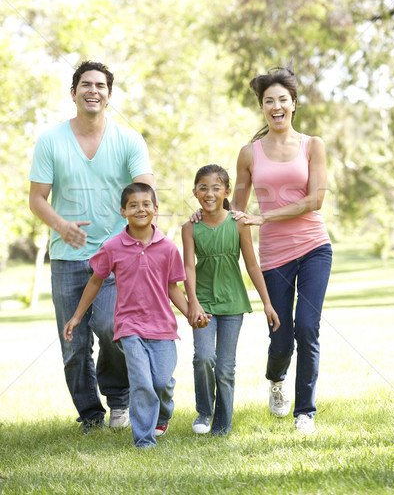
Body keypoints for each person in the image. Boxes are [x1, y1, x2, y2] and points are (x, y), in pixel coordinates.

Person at [29, 60, 155, 433]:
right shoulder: (51, 140)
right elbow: (37, 199)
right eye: (86, 84)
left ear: (109, 95)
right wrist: (62, 226)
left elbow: (145, 193)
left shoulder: (129, 140)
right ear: (73, 93)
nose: (93, 90)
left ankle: (119, 402)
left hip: (115, 257)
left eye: (101, 85)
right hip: (67, 258)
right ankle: (90, 414)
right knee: (74, 344)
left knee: (113, 328)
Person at [63, 182, 209, 448]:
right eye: (133, 205)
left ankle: (162, 414)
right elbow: (96, 281)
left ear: (155, 208)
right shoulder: (113, 246)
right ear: (123, 211)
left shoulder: (167, 247)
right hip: (129, 326)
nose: (140, 209)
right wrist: (76, 316)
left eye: (145, 204)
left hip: (163, 327)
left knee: (161, 382)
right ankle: (144, 440)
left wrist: (190, 313)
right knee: (142, 382)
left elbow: (172, 288)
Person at [232, 61, 332, 434]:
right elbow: (236, 211)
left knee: (307, 327)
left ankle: (304, 410)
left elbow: (315, 200)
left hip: (313, 247)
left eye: (283, 99)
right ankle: (276, 379)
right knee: (281, 335)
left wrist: (266, 217)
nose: (276, 106)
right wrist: (204, 212)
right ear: (262, 106)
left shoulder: (313, 145)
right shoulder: (249, 153)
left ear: (293, 104)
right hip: (273, 256)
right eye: (269, 100)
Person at [182, 164, 280, 437]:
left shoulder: (238, 223)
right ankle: (204, 411)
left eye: (216, 188)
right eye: (203, 187)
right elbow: (188, 267)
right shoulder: (190, 227)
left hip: (233, 303)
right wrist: (192, 302)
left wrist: (267, 303)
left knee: (225, 367)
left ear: (226, 191)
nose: (209, 193)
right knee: (203, 358)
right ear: (195, 192)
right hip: (203, 302)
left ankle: (222, 426)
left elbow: (251, 263)